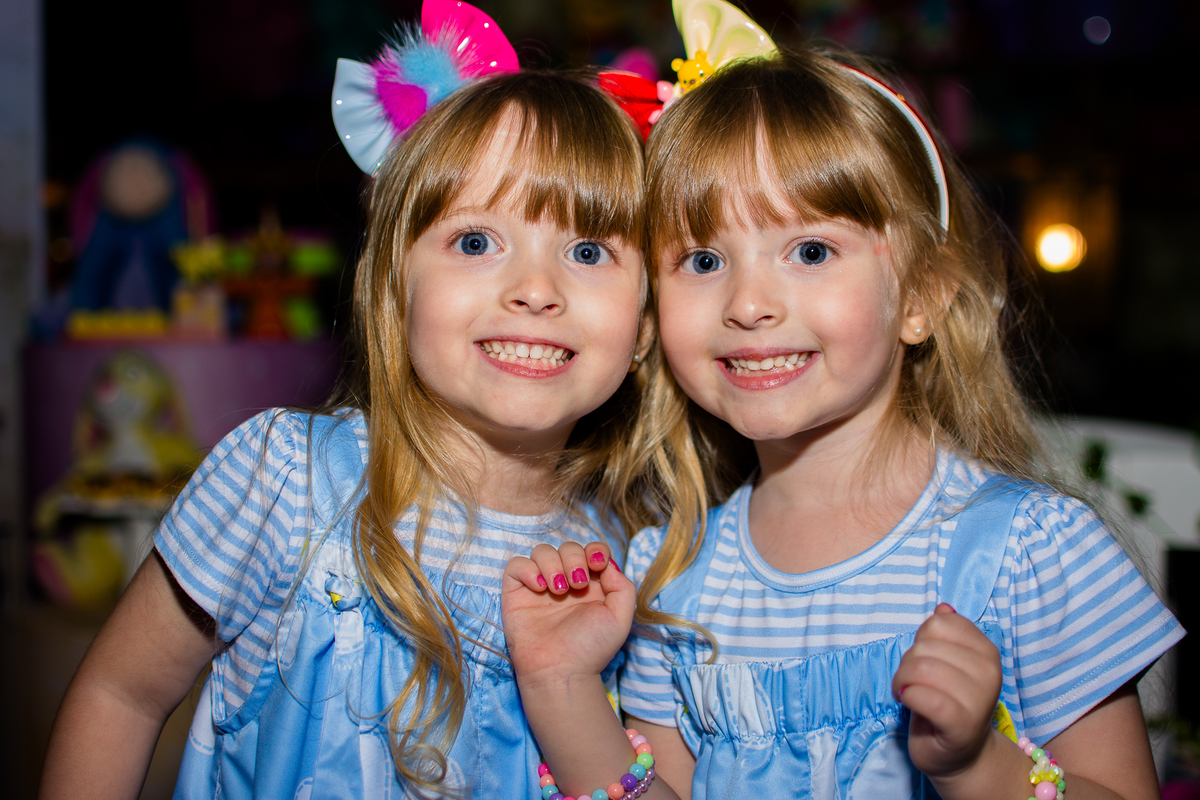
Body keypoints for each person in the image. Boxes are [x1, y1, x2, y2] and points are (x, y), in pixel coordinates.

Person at [500, 3, 1184, 799]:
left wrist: (979, 766)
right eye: (703, 260)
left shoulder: (1030, 551)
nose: (748, 303)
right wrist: (562, 685)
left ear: (921, 295)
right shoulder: (671, 576)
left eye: (812, 250)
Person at [38, 3, 657, 798]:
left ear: (646, 326)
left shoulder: (633, 555)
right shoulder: (285, 481)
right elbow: (120, 695)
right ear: (394, 287)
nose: (535, 289)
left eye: (588, 250)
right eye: (476, 241)